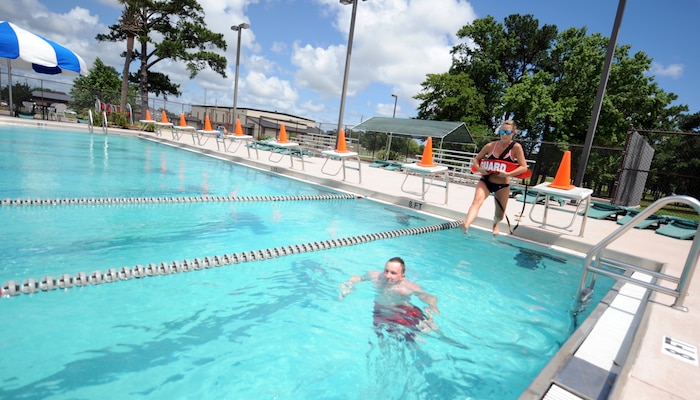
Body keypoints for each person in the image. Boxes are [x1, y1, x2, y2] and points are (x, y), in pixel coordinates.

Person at [338, 257, 439, 340]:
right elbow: (358, 278)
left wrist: (430, 311)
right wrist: (348, 285)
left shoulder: (407, 287)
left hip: (402, 311)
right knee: (380, 337)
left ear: (402, 276)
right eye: (386, 271)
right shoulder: (375, 277)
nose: (387, 276)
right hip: (380, 311)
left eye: (393, 273)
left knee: (414, 338)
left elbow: (430, 297)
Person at [461, 120, 528, 235]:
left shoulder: (516, 148)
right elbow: (476, 159)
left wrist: (507, 174)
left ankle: (495, 224)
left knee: (500, 215)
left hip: (502, 185)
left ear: (513, 133)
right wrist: (479, 169)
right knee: (477, 201)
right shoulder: (490, 146)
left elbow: (524, 168)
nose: (504, 134)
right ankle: (466, 225)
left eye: (507, 132)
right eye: (502, 131)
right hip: (486, 180)